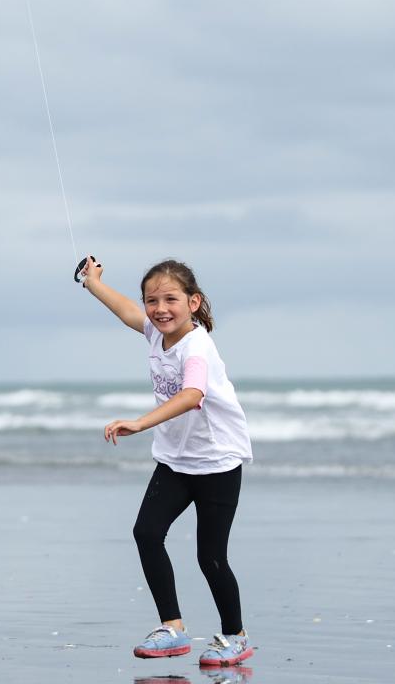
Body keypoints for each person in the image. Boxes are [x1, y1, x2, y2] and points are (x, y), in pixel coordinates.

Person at [79, 255, 254, 667]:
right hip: (176, 460)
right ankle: (172, 628)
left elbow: (193, 395)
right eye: (152, 300)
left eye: (171, 299)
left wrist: (140, 423)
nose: (160, 309)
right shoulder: (155, 333)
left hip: (216, 461)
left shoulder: (197, 346)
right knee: (146, 532)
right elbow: (127, 311)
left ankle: (235, 636)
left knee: (210, 557)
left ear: (193, 302)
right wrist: (92, 282)